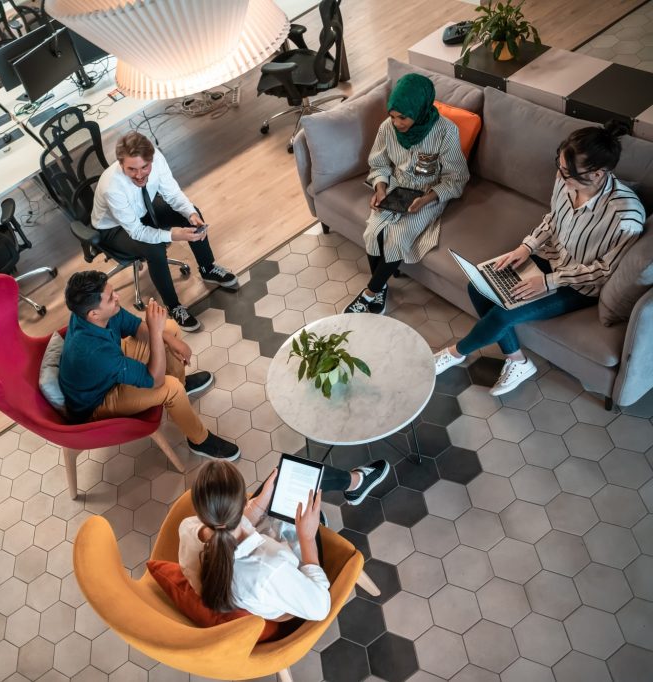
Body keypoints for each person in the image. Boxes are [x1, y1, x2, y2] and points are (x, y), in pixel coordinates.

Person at [434, 122, 645, 396]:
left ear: (597, 174)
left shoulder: (626, 217)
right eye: (560, 165)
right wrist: (526, 248)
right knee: (478, 287)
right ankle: (518, 361)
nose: (560, 174)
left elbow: (604, 271)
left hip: (578, 285)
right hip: (550, 257)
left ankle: (454, 353)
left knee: (503, 314)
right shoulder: (565, 181)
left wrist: (548, 282)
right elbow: (553, 219)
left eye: (567, 172)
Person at [177, 458, 390, 620]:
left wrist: (261, 500)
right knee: (305, 476)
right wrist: (307, 537)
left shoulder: (189, 527)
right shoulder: (269, 568)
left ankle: (355, 483)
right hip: (285, 589)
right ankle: (355, 483)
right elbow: (320, 607)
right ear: (242, 503)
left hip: (260, 577)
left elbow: (232, 526)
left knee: (284, 476)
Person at [59, 270, 240, 460]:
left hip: (109, 366)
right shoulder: (93, 352)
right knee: (171, 387)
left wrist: (169, 338)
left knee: (169, 328)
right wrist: (155, 330)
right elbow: (155, 380)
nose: (117, 297)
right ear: (94, 314)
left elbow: (136, 327)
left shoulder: (94, 313)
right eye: (111, 297)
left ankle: (183, 388)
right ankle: (199, 441)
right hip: (98, 400)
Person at [344, 73, 470, 315]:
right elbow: (379, 163)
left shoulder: (446, 131)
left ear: (419, 110)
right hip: (396, 188)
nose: (396, 123)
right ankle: (380, 289)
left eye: (403, 117)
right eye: (393, 116)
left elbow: (456, 178)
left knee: (397, 238)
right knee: (372, 233)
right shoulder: (387, 128)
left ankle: (369, 293)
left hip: (428, 194)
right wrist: (380, 188)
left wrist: (427, 199)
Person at [91, 131, 238, 332]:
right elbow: (137, 231)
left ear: (151, 159)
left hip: (144, 208)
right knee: (154, 248)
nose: (139, 175)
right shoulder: (112, 187)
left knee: (191, 214)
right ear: (121, 164)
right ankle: (173, 306)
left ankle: (208, 269)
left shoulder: (157, 158)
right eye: (131, 169)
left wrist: (190, 213)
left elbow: (172, 193)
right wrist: (174, 235)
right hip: (113, 228)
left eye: (145, 167)